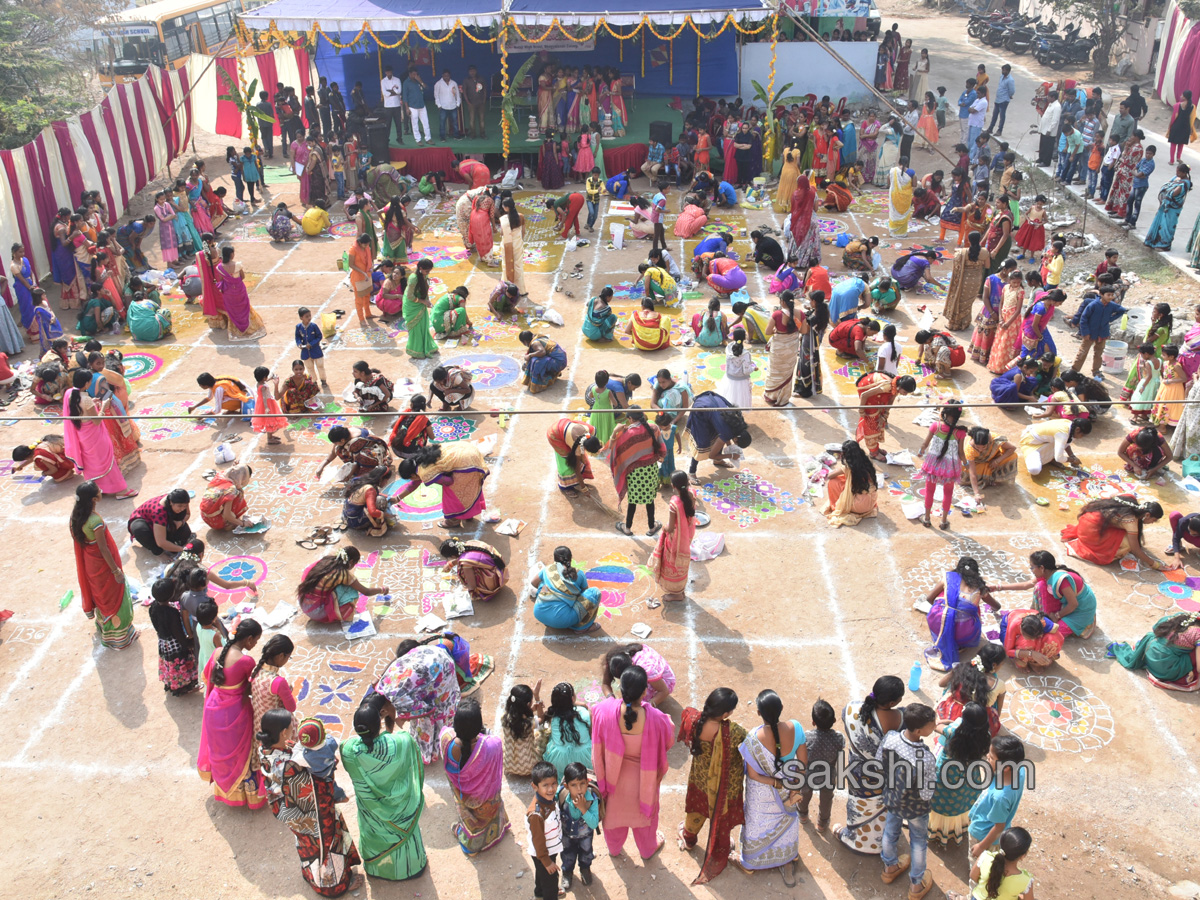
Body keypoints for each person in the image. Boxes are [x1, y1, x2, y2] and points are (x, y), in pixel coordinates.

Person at [258, 710, 364, 896]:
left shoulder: (266, 750)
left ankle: (312, 875)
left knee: (307, 845)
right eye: (291, 727)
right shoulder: (290, 767)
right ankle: (332, 886)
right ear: (283, 732)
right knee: (325, 845)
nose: (294, 730)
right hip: (312, 815)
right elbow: (315, 788)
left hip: (292, 814)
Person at [340, 697, 428, 881]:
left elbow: (348, 746)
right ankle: (410, 867)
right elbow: (405, 740)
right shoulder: (401, 743)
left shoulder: (348, 751)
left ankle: (379, 869)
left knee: (375, 836)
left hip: (372, 817)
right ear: (378, 724)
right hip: (401, 814)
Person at [197, 617, 265, 807]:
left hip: (213, 708)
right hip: (234, 713)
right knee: (241, 753)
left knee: (221, 751)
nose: (255, 644)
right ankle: (247, 796)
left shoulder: (218, 651)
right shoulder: (246, 661)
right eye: (256, 641)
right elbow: (254, 688)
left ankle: (226, 792)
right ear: (249, 639)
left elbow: (206, 676)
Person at [833, 676, 905, 854]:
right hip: (881, 774)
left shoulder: (851, 708)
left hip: (857, 770)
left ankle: (856, 837)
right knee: (880, 804)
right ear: (891, 702)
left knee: (859, 804)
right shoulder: (898, 717)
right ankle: (881, 840)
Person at [877, 703, 937, 900]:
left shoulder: (891, 738)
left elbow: (878, 763)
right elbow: (927, 794)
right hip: (916, 808)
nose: (935, 725)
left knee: (890, 831)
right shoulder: (926, 758)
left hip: (893, 799)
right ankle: (916, 886)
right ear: (919, 731)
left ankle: (890, 868)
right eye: (932, 724)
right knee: (918, 842)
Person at [69, 480, 136, 649]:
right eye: (98, 490)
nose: (101, 490)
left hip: (91, 565)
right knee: (115, 597)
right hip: (104, 566)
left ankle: (104, 628)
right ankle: (120, 637)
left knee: (102, 597)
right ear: (94, 499)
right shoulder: (94, 520)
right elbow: (103, 548)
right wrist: (116, 571)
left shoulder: (76, 517)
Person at [62, 370, 135, 500]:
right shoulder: (86, 400)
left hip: (82, 434)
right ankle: (121, 490)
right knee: (107, 461)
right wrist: (103, 407)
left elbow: (80, 411)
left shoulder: (69, 394)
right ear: (86, 383)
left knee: (92, 462)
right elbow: (96, 421)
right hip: (94, 435)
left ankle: (97, 488)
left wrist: (92, 403)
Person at [394, 441, 490, 529]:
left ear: (412, 475)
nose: (412, 480)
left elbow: (449, 481)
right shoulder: (419, 459)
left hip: (467, 463)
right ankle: (468, 514)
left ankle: (453, 521)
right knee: (468, 488)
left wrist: (439, 477)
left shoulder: (424, 473)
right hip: (467, 449)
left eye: (410, 478)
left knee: (453, 492)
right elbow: (415, 482)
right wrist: (397, 498)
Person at [1061, 495, 1170, 570]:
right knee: (1127, 545)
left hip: (1087, 519)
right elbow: (1136, 550)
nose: (1151, 523)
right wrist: (1155, 564)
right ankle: (1099, 549)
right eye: (1153, 520)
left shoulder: (1130, 500)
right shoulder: (1130, 521)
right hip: (1091, 529)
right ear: (1147, 515)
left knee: (1128, 537)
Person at [967, 736, 1027, 861]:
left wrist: (981, 846)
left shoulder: (1000, 797)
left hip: (982, 834)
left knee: (978, 865)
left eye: (991, 758)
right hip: (988, 822)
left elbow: (999, 827)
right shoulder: (1020, 771)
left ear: (1005, 768)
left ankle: (976, 879)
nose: (987, 757)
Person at [1110, 611, 1200, 692]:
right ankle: (1186, 673)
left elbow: (1156, 628)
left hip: (1149, 651)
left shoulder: (1182, 616)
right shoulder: (1198, 634)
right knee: (1195, 653)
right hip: (1164, 667)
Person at [297, 547, 389, 622]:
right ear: (351, 562)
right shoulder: (343, 574)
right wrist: (383, 589)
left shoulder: (326, 560)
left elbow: (307, 573)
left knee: (335, 584)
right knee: (350, 589)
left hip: (303, 601)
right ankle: (343, 614)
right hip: (317, 612)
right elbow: (366, 591)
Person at [647, 470, 696, 602]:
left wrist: (663, 527)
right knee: (681, 562)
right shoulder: (691, 494)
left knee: (672, 562)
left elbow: (671, 527)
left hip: (676, 538)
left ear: (674, 486)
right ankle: (680, 590)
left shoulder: (674, 503)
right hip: (688, 534)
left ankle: (676, 594)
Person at [530, 546, 601, 632]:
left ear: (555, 559)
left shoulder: (548, 569)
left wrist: (552, 591)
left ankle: (548, 616)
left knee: (543, 582)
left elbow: (533, 582)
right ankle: (581, 627)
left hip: (539, 614)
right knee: (594, 593)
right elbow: (585, 593)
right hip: (562, 620)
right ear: (570, 558)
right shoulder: (579, 574)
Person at [686, 391, 753, 482]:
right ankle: (691, 472)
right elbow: (712, 455)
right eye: (736, 443)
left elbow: (725, 436)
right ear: (736, 439)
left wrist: (729, 446)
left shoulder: (739, 423)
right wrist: (731, 455)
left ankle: (718, 461)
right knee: (701, 442)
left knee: (717, 434)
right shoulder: (727, 432)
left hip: (712, 405)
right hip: (702, 408)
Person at [855, 373, 917, 461]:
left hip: (877, 394)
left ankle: (875, 447)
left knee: (879, 419)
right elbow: (864, 395)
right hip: (866, 389)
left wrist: (884, 416)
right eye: (905, 392)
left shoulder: (895, 387)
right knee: (872, 422)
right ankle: (873, 452)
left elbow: (890, 401)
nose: (905, 395)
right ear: (900, 387)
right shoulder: (887, 386)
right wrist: (862, 410)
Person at [822, 439, 879, 527]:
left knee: (833, 482)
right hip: (871, 503)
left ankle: (835, 506)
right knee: (846, 479)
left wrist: (842, 469)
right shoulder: (867, 463)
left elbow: (830, 476)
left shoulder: (848, 467)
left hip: (858, 507)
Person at [762, 292, 802, 407]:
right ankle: (783, 398)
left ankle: (772, 396)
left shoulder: (777, 315)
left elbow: (767, 332)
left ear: (783, 302)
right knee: (787, 374)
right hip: (791, 348)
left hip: (778, 348)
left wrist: (776, 329)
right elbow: (803, 330)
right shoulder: (799, 314)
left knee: (774, 372)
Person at [440, 538, 508, 603]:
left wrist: (464, 589)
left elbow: (472, 586)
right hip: (500, 567)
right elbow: (471, 555)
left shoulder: (465, 563)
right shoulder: (469, 543)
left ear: (452, 556)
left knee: (462, 571)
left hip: (496, 579)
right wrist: (452, 563)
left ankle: (485, 588)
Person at [547, 416, 601, 495]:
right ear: (585, 447)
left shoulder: (590, 431)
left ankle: (577, 481)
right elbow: (576, 469)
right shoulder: (577, 447)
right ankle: (566, 487)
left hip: (565, 425)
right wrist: (584, 488)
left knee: (582, 458)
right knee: (568, 461)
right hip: (555, 434)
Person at [318, 426, 392, 482]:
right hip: (363, 449)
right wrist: (322, 466)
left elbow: (357, 461)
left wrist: (349, 476)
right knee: (338, 449)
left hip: (375, 451)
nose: (334, 444)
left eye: (335, 442)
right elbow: (333, 452)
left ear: (342, 440)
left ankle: (371, 470)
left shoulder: (355, 442)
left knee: (363, 456)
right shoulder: (343, 434)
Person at [1145, 164, 1193, 250]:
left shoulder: (1185, 183)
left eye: (1178, 172)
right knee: (1160, 222)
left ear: (1184, 173)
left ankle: (1165, 244)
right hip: (1165, 206)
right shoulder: (1177, 178)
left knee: (1167, 226)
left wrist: (1168, 189)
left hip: (1172, 208)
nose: (1176, 173)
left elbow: (1173, 193)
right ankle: (1152, 241)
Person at [402, 258, 438, 359]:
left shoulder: (424, 275)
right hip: (412, 305)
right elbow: (410, 296)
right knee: (416, 328)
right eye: (427, 271)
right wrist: (423, 301)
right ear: (421, 268)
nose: (428, 273)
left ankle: (426, 347)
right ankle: (416, 350)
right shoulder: (414, 278)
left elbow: (425, 289)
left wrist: (428, 300)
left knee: (423, 326)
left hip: (420, 302)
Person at [199, 465, 253, 531]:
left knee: (237, 492)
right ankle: (227, 523)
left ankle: (226, 517)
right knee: (238, 495)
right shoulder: (231, 490)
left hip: (204, 516)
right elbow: (227, 515)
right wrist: (243, 523)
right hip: (214, 522)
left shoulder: (221, 475)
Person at [888, 157, 915, 236]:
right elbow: (914, 184)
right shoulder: (911, 172)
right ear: (907, 163)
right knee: (903, 213)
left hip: (894, 194)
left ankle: (894, 232)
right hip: (906, 196)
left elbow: (888, 181)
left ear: (899, 162)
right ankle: (902, 233)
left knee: (894, 212)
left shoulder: (893, 171)